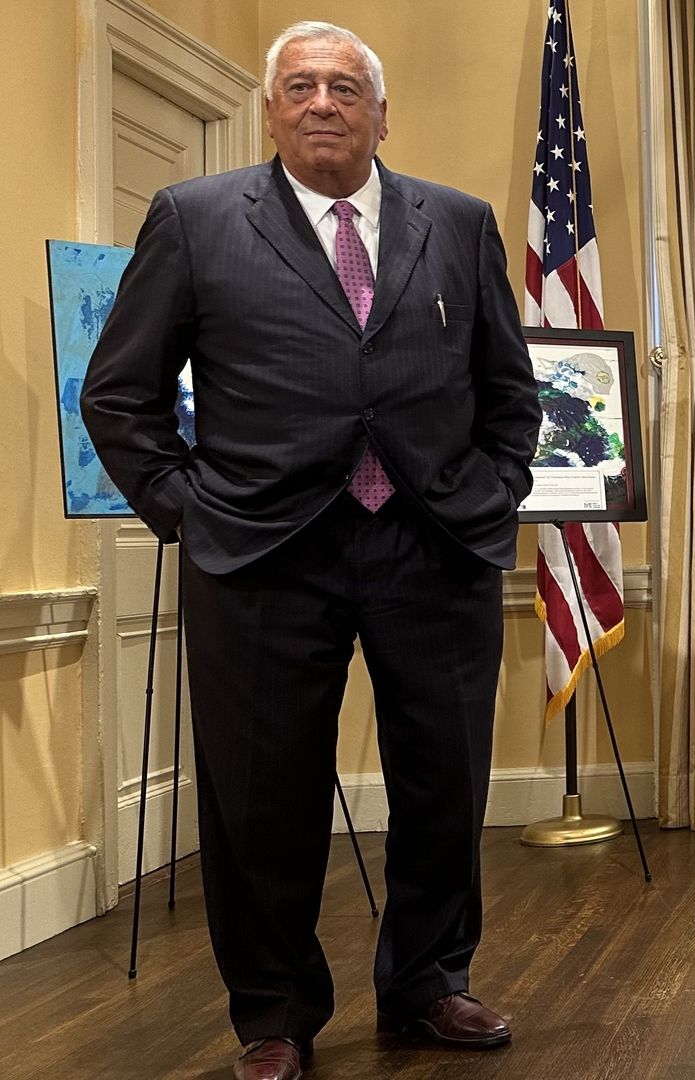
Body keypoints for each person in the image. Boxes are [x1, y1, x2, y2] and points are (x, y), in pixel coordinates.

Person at [81, 22, 537, 1078]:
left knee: (444, 781)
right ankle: (275, 1012)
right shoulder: (194, 221)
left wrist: (493, 489)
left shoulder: (460, 225)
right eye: (301, 86)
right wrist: (188, 509)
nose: (323, 102)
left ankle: (431, 981)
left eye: (345, 86)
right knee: (260, 796)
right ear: (272, 110)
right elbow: (120, 394)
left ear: (384, 113)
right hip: (260, 555)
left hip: (433, 546)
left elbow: (511, 395)